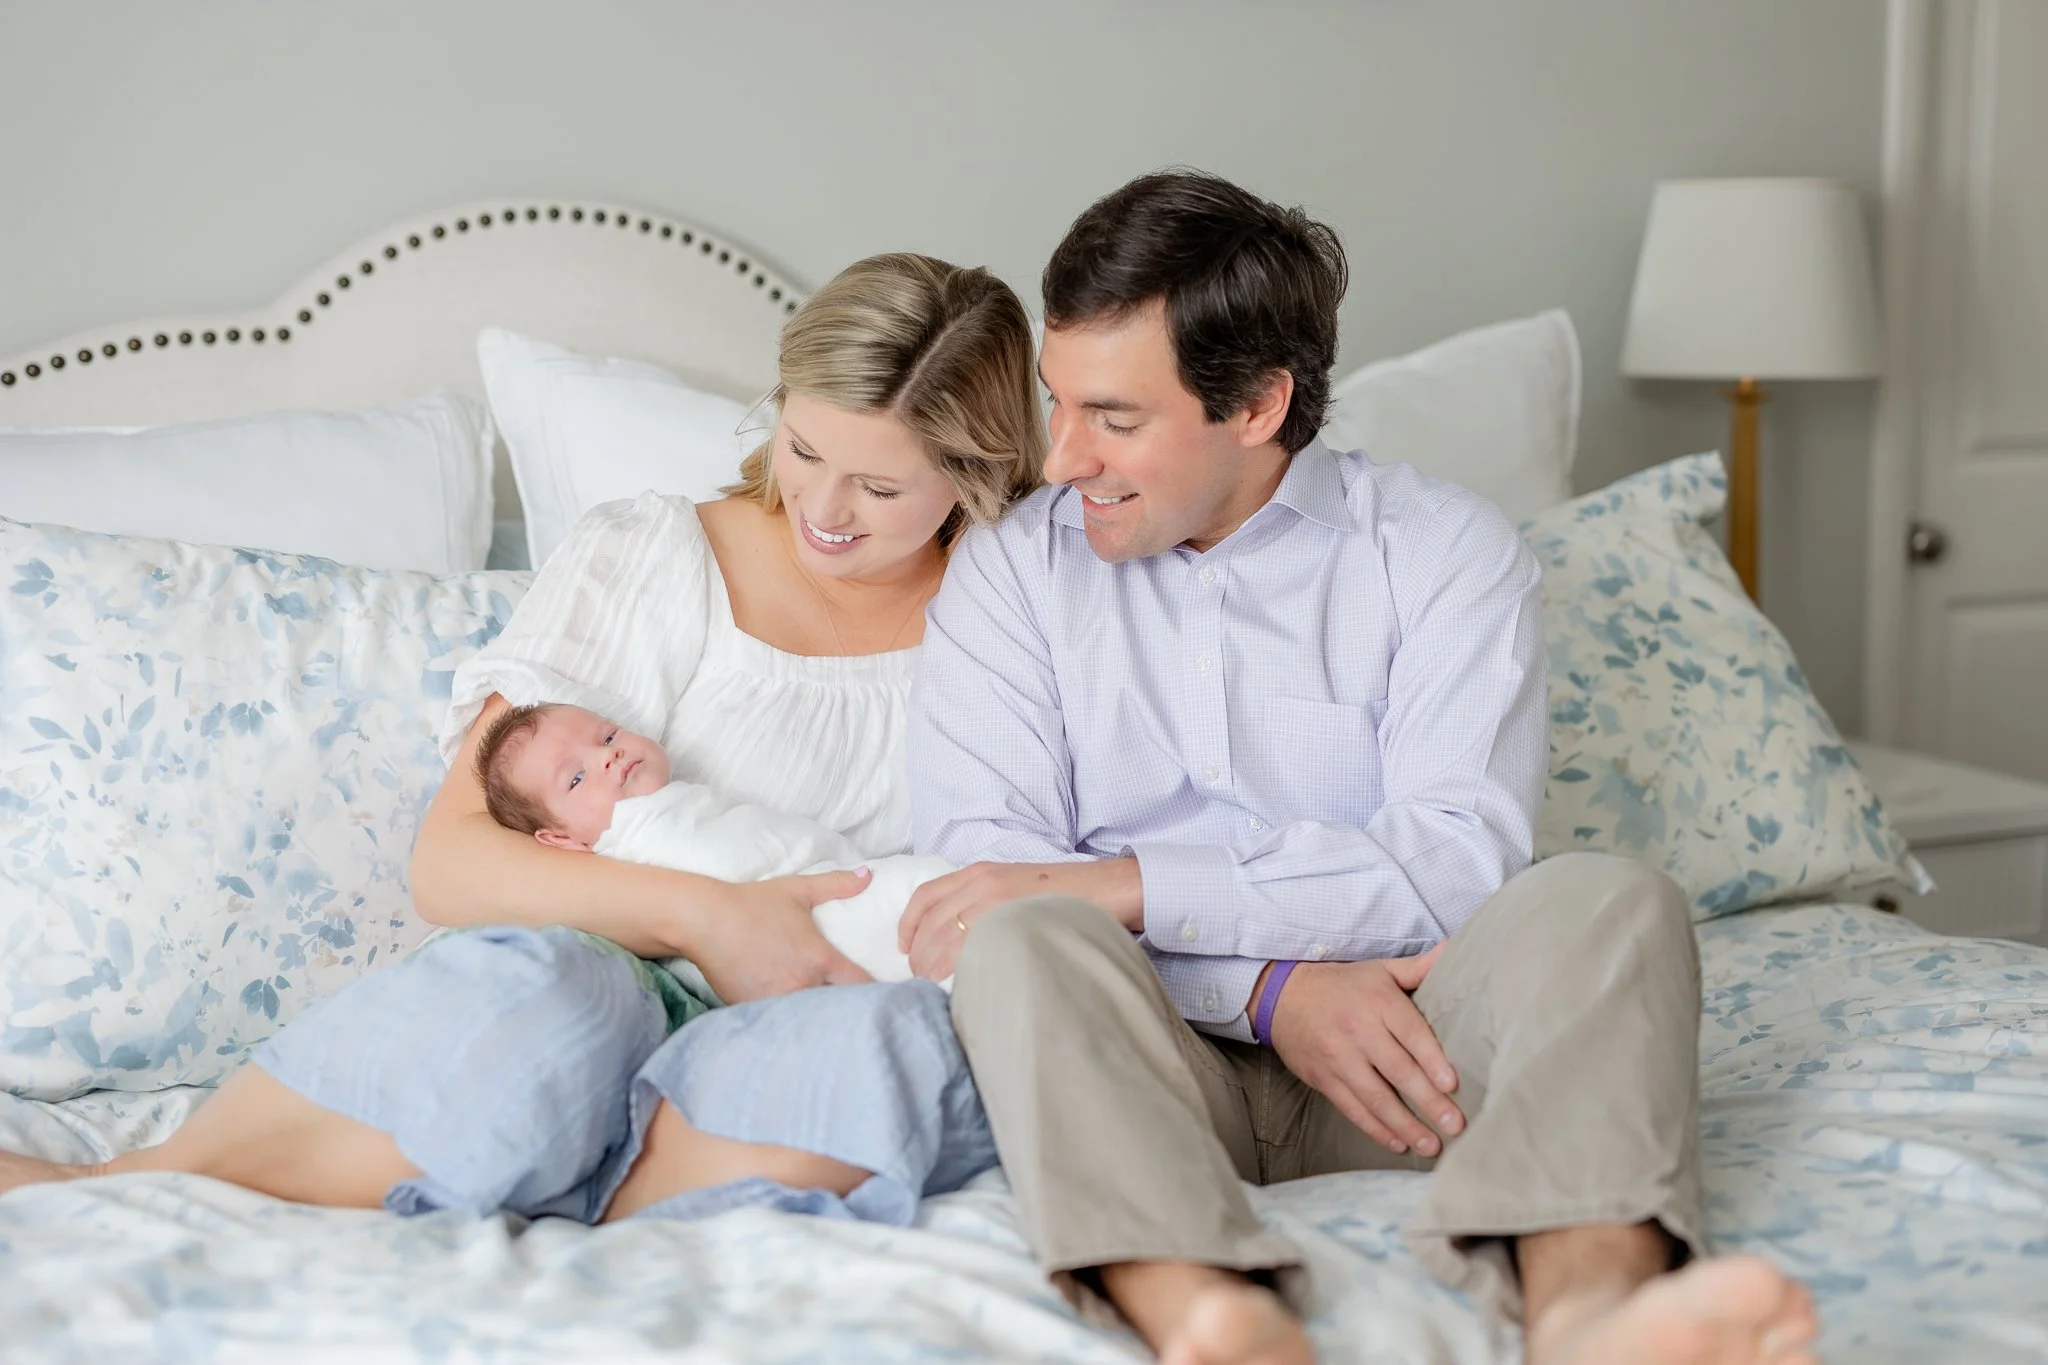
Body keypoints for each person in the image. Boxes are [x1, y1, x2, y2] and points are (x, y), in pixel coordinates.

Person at [901, 172, 1820, 1365]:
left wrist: (1126, 883)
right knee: (1024, 940)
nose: (1062, 456)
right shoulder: (1012, 575)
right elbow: (990, 893)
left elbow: (1450, 867)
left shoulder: (1442, 554)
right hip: (1144, 1077)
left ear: (1257, 406)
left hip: (1415, 1062)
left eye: (1114, 418)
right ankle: (1210, 1318)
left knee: (1612, 899)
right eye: (1056, 403)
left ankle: (1591, 1316)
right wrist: (1273, 997)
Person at [0, 252, 1035, 1231]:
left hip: (812, 1008)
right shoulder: (657, 554)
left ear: (973, 469)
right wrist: (712, 918)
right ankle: (127, 1183)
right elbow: (451, 860)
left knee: (903, 1052)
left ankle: (592, 1215)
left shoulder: (1018, 616)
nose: (822, 507)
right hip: (608, 968)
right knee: (546, 1013)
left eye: (880, 488)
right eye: (804, 450)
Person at [473, 699, 955, 987]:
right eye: (576, 778)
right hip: (803, 923)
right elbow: (730, 870)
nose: (608, 756)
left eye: (607, 735)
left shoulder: (676, 801)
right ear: (559, 838)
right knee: (934, 896)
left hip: (832, 888)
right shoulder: (633, 842)